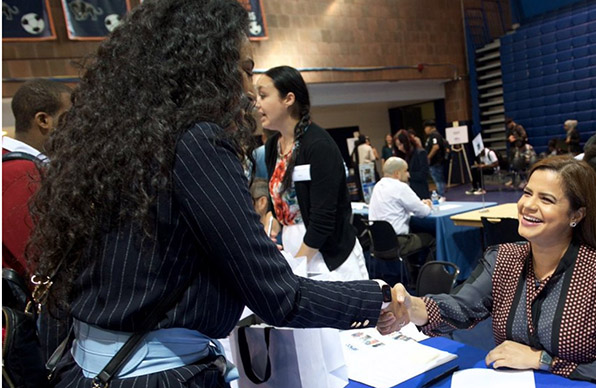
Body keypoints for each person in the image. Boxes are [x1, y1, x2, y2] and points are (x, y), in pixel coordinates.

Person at [28, 2, 409, 386]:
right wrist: (376, 299)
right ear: (206, 68)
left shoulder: (123, 145)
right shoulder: (197, 141)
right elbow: (278, 297)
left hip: (87, 367)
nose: (249, 93)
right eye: (245, 72)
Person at [394, 156, 596, 388]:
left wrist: (542, 360)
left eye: (546, 199)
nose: (528, 205)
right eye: (527, 193)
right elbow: (461, 306)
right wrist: (411, 308)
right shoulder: (504, 258)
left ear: (576, 214)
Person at [257, 66, 369, 280]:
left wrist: (294, 267)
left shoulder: (318, 145)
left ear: (288, 99)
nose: (257, 104)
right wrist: (272, 225)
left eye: (263, 96)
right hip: (296, 251)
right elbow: (278, 206)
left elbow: (323, 220)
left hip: (329, 256)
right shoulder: (273, 147)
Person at [3, 79, 71, 280]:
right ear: (43, 120)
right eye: (69, 118)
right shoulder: (20, 175)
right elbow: (40, 262)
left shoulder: (28, 169)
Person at [369, 157, 436, 277]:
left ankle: (411, 272)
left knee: (414, 232)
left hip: (378, 243)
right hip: (398, 242)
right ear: (397, 173)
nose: (408, 174)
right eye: (406, 171)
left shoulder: (377, 186)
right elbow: (423, 212)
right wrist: (428, 205)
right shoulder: (400, 187)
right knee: (432, 238)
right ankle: (426, 278)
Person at [394, 129, 430, 199]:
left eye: (400, 144)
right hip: (406, 193)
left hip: (420, 192)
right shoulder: (402, 156)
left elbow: (424, 174)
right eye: (397, 146)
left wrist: (409, 174)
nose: (399, 148)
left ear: (406, 142)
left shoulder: (420, 153)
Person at [424, 120, 447, 198]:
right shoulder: (432, 136)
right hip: (434, 162)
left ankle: (441, 194)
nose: (425, 130)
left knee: (438, 179)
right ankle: (441, 193)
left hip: (436, 161)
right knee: (437, 179)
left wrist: (428, 157)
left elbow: (435, 147)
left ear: (430, 127)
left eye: (426, 128)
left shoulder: (434, 135)